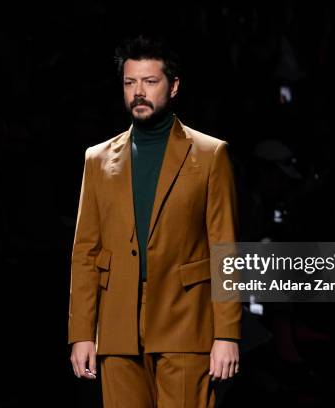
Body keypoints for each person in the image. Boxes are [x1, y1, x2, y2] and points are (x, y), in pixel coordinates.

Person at [68, 35, 241, 407]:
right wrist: (82, 333)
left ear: (173, 86)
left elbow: (225, 249)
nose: (138, 92)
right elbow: (85, 251)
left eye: (150, 81)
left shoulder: (211, 155)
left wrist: (227, 335)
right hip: (117, 326)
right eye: (130, 83)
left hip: (185, 319)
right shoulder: (97, 159)